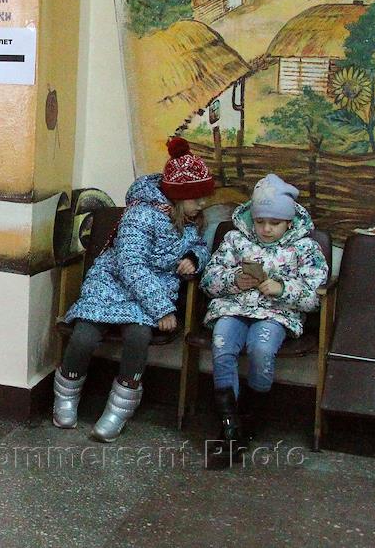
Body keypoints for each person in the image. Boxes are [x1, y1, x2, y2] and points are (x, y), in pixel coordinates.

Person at [53, 137, 214, 441]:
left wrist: (194, 258)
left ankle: (118, 409)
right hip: (111, 285)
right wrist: (162, 309)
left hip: (146, 295)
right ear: (178, 197)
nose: (202, 204)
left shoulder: (190, 219)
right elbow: (130, 264)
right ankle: (65, 396)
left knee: (138, 337)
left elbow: (200, 245)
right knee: (84, 335)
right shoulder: (140, 215)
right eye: (196, 198)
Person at [199, 173, 327, 469]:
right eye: (260, 221)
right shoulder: (235, 239)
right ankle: (229, 427)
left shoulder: (305, 249)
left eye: (275, 223)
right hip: (232, 308)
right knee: (222, 346)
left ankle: (250, 418)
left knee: (261, 349)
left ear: (289, 223)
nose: (266, 229)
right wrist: (234, 280)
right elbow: (208, 280)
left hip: (276, 313)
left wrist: (282, 289)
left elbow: (314, 297)